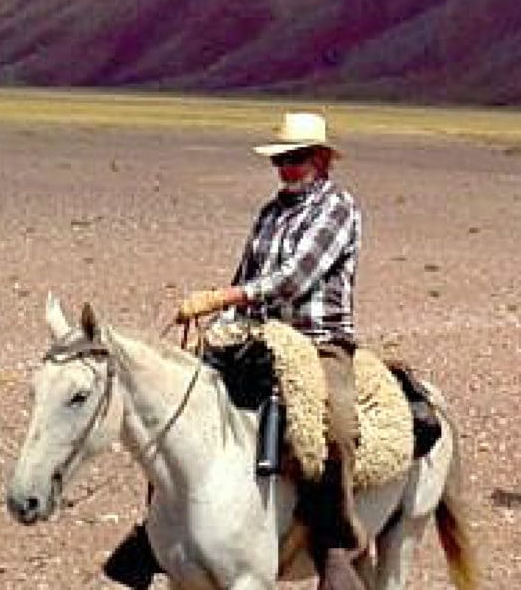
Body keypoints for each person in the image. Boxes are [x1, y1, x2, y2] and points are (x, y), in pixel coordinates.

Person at [124, 112, 367, 590]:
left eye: (294, 159)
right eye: (280, 160)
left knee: (335, 425)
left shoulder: (339, 209)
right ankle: (154, 534)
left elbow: (294, 279)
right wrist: (216, 323)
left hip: (317, 340)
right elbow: (246, 275)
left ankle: (335, 543)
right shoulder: (271, 212)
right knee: (178, 412)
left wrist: (223, 298)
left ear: (320, 159)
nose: (285, 168)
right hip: (257, 337)